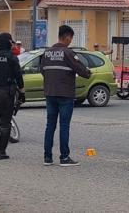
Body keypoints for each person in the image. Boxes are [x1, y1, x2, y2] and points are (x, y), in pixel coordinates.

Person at [41, 25, 92, 167]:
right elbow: (82, 70)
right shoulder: (68, 53)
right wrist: (88, 73)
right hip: (65, 94)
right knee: (64, 125)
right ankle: (64, 158)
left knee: (50, 125)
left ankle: (47, 157)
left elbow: (43, 70)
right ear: (68, 37)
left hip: (50, 93)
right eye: (71, 38)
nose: (71, 41)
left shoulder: (46, 53)